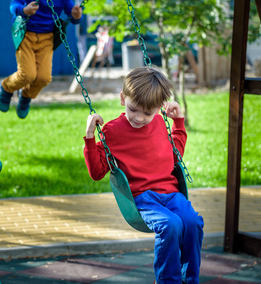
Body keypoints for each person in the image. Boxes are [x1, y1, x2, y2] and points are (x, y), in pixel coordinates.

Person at [83, 66, 204, 284]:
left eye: (148, 113)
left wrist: (178, 122)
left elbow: (174, 155)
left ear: (159, 108)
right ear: (123, 99)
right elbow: (97, 172)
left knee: (193, 222)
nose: (139, 118)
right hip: (142, 198)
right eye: (133, 109)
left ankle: (190, 279)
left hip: (171, 194)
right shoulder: (112, 131)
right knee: (170, 225)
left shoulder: (159, 122)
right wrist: (91, 137)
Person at [0, 0, 83, 119]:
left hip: (47, 38)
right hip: (26, 35)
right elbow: (14, 4)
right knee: (27, 74)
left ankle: (26, 96)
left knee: (43, 78)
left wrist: (76, 15)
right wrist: (24, 10)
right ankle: (6, 87)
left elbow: (71, 15)